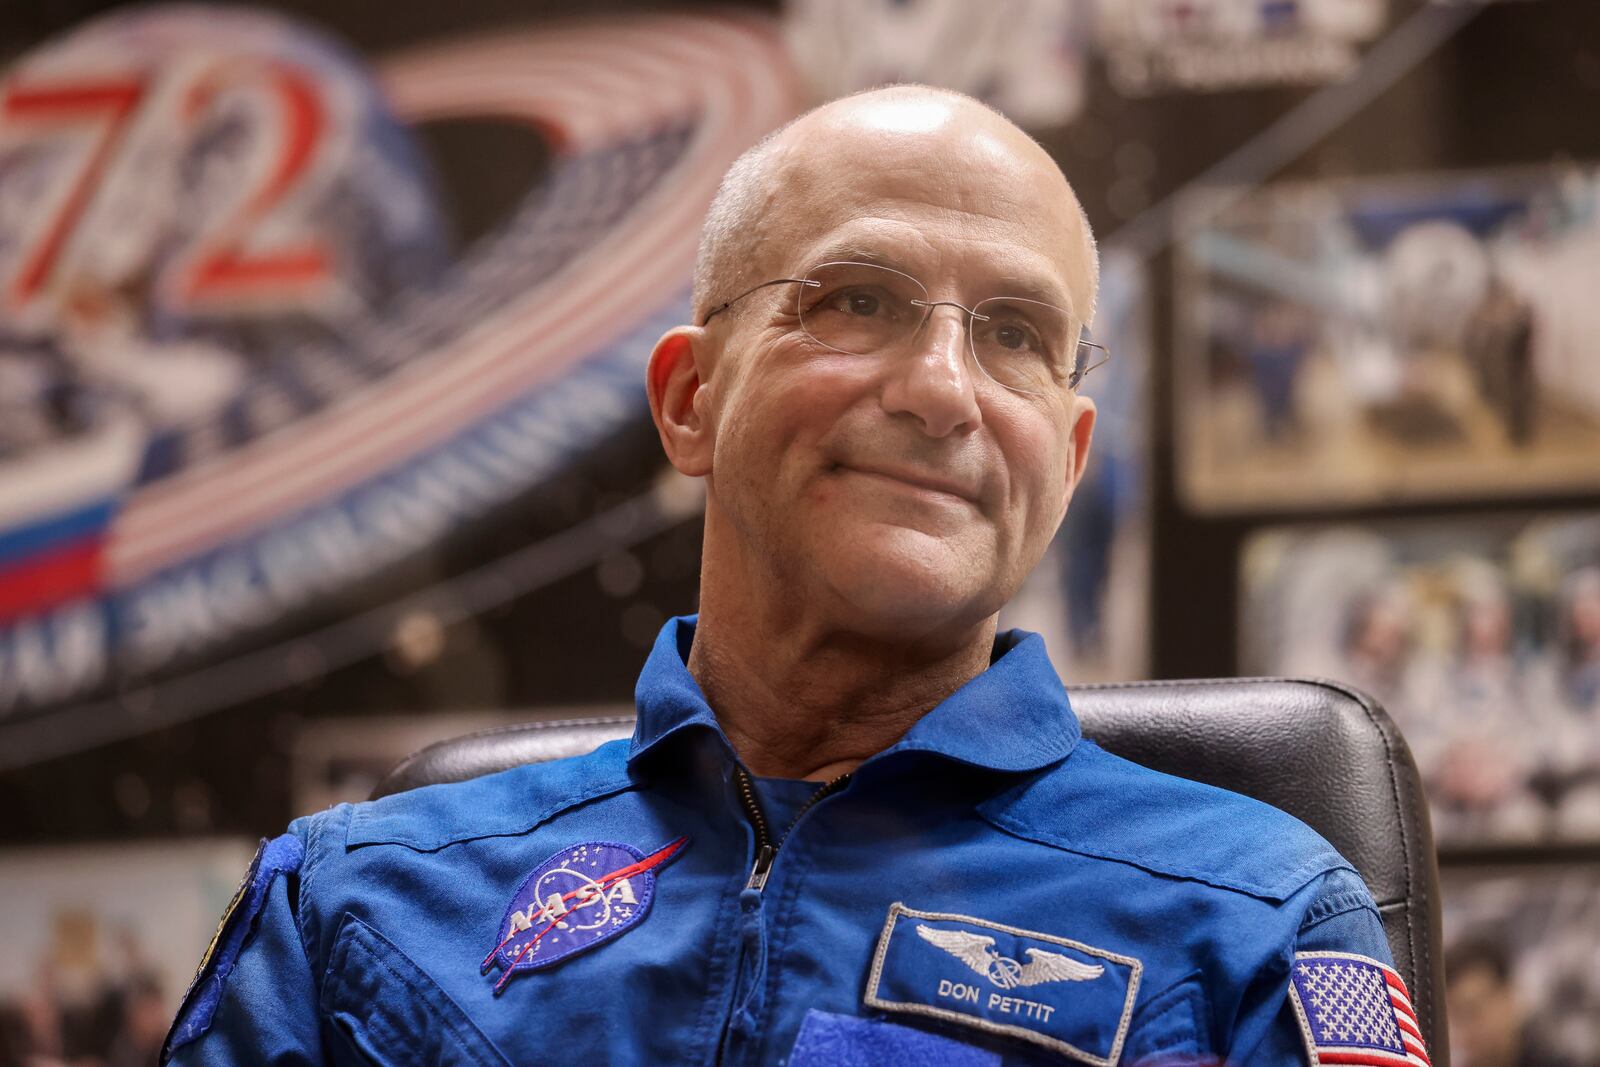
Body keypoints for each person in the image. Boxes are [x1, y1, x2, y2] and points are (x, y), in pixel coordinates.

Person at [163, 86, 1425, 1066]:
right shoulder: (357, 902)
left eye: (1018, 336)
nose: (942, 389)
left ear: (1070, 458)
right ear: (690, 399)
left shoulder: (1256, 920)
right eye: (860, 299)